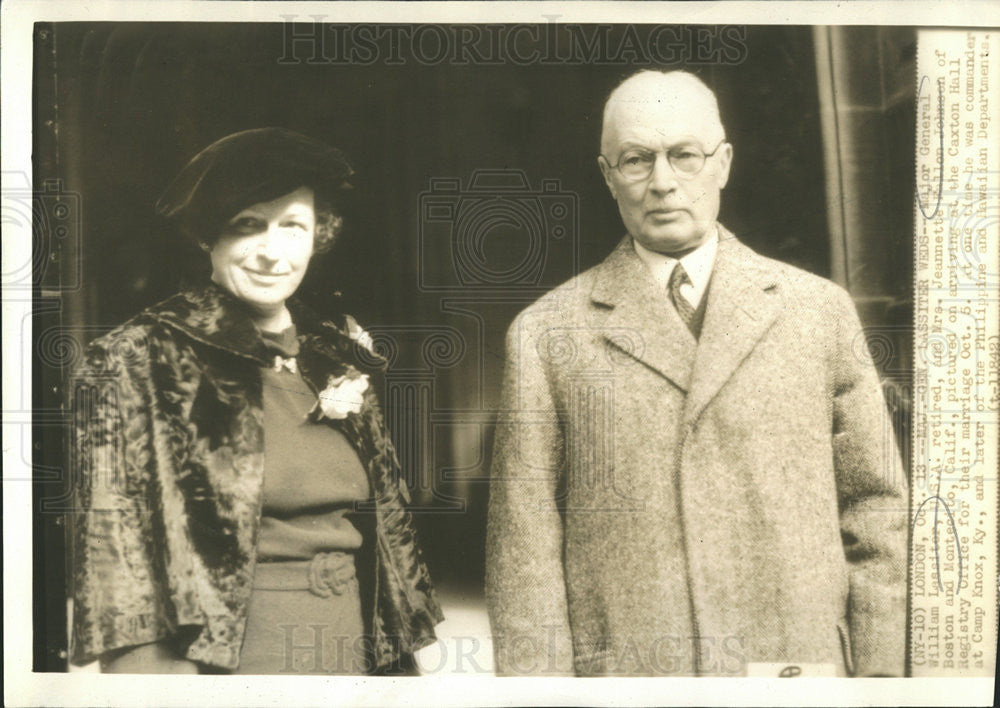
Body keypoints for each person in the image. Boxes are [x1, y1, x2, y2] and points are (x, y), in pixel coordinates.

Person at [486, 71, 907, 677]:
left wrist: (879, 677)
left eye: (684, 155)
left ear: (723, 163)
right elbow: (523, 546)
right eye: (636, 160)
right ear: (607, 175)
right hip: (632, 677)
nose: (662, 182)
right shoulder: (546, 334)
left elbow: (876, 506)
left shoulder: (818, 312)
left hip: (795, 669)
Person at [69, 128, 442, 674]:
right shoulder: (136, 358)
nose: (273, 252)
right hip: (234, 658)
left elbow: (390, 522)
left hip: (354, 646)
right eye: (248, 226)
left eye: (293, 226)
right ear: (208, 239)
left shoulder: (336, 353)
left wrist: (414, 647)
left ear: (319, 235)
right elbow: (116, 561)